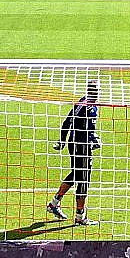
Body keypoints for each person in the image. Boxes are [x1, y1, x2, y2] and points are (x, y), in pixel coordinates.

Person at [47, 80, 101, 226]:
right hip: (80, 146)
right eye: (94, 90)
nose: (96, 92)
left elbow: (87, 126)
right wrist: (62, 140)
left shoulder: (90, 103)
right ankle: (80, 216)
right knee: (84, 179)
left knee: (76, 174)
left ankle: (54, 203)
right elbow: (68, 122)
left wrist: (93, 137)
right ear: (90, 90)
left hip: (81, 144)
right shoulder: (84, 105)